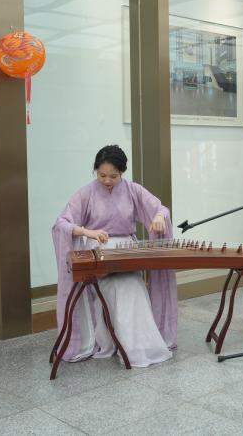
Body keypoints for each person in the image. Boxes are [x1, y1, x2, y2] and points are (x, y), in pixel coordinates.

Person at [52, 145, 177, 367]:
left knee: (133, 286)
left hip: (126, 252)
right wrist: (87, 232)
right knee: (119, 287)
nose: (108, 180)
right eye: (102, 175)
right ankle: (121, 344)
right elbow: (62, 223)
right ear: (95, 171)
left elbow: (161, 209)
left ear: (122, 173)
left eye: (114, 176)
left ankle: (139, 346)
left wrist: (158, 217)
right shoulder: (86, 193)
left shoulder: (132, 190)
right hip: (98, 252)